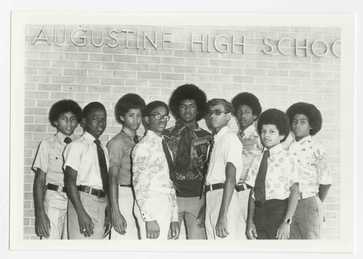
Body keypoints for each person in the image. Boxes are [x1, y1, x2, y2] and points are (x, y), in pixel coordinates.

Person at [164, 84, 211, 239]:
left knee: (198, 245)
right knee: (168, 243)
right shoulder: (166, 136)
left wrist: (206, 202)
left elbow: (209, 171)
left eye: (192, 106)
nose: (187, 110)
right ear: (177, 109)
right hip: (171, 198)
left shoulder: (207, 138)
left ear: (198, 109)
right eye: (183, 106)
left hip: (197, 198)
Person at [245, 109, 300, 239]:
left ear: (281, 135)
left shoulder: (288, 158)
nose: (266, 135)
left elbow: (295, 191)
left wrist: (286, 222)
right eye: (263, 131)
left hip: (278, 212)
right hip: (259, 213)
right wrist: (250, 221)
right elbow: (253, 193)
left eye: (272, 131)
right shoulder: (257, 159)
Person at [32, 99, 82, 239]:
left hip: (75, 200)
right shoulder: (47, 144)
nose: (68, 123)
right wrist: (40, 213)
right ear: (55, 122)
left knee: (71, 241)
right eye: (64, 119)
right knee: (50, 241)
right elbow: (39, 181)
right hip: (53, 199)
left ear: (77, 122)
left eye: (72, 119)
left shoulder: (80, 144)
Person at [132, 101, 180, 240]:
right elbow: (139, 184)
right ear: (147, 119)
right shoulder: (143, 146)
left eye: (165, 116)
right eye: (157, 116)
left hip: (166, 204)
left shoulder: (165, 145)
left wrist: (174, 217)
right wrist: (149, 218)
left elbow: (170, 183)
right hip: (151, 205)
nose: (162, 120)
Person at [63, 102, 111, 239]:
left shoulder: (103, 149)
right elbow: (69, 181)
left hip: (101, 202)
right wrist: (81, 213)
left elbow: (104, 181)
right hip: (82, 200)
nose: (100, 123)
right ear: (84, 122)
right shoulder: (76, 146)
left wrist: (108, 210)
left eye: (103, 119)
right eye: (95, 119)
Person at [286, 102, 332, 239]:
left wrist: (314, 202)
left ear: (311, 125)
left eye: (302, 122)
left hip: (308, 202)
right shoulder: (288, 148)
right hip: (289, 204)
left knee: (310, 244)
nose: (297, 125)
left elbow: (326, 181)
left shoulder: (317, 148)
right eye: (294, 122)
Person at [204, 99, 244, 239]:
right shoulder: (215, 140)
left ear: (228, 116)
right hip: (212, 196)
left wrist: (223, 215)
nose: (212, 116)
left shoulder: (230, 139)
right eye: (210, 113)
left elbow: (231, 179)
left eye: (217, 112)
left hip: (224, 197)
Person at [107, 93, 145, 240]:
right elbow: (112, 178)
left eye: (138, 115)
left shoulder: (142, 141)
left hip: (140, 196)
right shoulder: (117, 142)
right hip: (123, 196)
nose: (136, 120)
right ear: (122, 117)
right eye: (131, 115)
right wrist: (115, 212)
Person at [231, 92, 263, 239]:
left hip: (250, 193)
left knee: (252, 236)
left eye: (247, 112)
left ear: (255, 115)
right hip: (233, 193)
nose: (243, 116)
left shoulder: (260, 137)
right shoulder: (234, 138)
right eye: (240, 112)